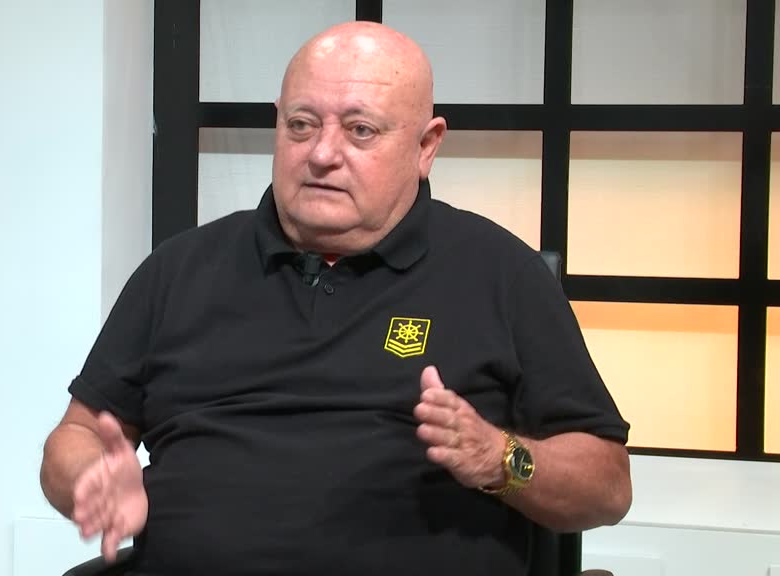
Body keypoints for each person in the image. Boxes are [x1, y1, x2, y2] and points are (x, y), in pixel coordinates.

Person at [40, 21, 631, 576]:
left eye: (359, 130)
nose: (321, 153)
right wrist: (91, 478)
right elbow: (76, 436)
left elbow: (607, 486)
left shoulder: (501, 274)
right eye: (300, 125)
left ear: (427, 146)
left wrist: (500, 459)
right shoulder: (179, 269)